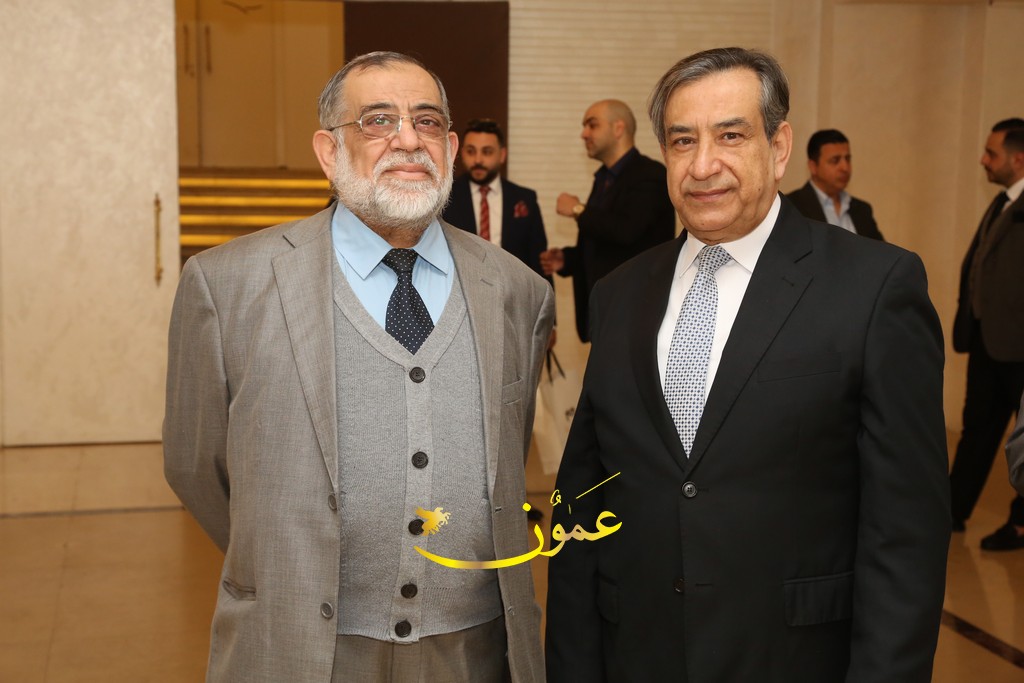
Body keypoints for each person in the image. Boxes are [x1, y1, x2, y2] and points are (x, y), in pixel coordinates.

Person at [545, 47, 949, 681]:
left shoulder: (873, 287)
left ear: (778, 147)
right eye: (683, 140)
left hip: (795, 660)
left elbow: (907, 530)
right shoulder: (619, 293)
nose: (703, 165)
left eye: (731, 136)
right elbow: (582, 497)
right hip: (639, 655)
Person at [164, 51, 553, 683]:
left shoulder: (518, 291)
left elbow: (508, 449)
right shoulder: (226, 284)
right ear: (329, 150)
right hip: (300, 648)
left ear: (452, 149)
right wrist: (282, 558)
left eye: (427, 122)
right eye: (377, 121)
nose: (408, 140)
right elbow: (195, 465)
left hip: (473, 651)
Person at [539, 99, 675, 342]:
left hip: (636, 313)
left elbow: (628, 231)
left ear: (618, 128)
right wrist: (568, 259)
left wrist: (579, 209)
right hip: (606, 314)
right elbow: (605, 246)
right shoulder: (604, 179)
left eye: (592, 125)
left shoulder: (650, 175)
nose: (584, 134)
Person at [949, 119, 1024, 549]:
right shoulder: (1002, 202)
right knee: (977, 429)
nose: (983, 160)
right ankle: (951, 510)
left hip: (1019, 348)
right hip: (987, 342)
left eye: (992, 153)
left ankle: (1021, 521)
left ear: (1018, 159)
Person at [442, 118, 549, 280]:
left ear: (502, 155)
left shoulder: (525, 199)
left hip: (513, 288)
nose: (478, 160)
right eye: (471, 151)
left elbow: (539, 263)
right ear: (461, 153)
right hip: (460, 287)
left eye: (487, 152)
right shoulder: (445, 196)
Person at [785, 129, 884, 240]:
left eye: (847, 159)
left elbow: (881, 250)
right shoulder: (792, 207)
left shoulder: (862, 210)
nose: (845, 168)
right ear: (813, 167)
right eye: (835, 160)